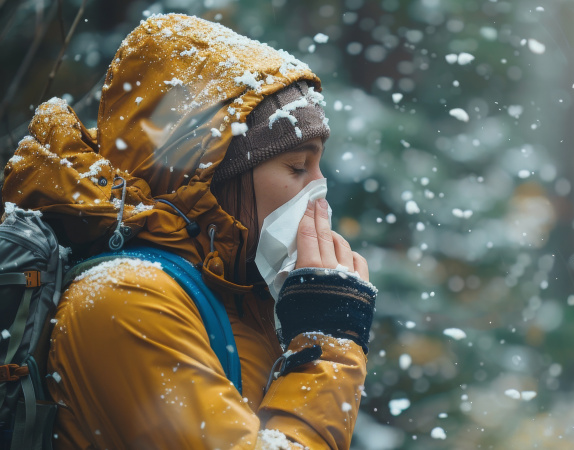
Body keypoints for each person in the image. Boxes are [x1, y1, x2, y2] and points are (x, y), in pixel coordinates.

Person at [1, 13, 375, 449]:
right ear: (212, 175)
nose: (319, 194)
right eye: (296, 166)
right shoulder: (126, 299)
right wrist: (327, 348)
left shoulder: (239, 298)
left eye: (318, 165)